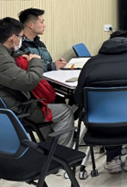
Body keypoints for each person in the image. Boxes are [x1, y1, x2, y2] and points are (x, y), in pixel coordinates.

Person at [74, 30, 127, 173]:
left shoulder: (91, 64)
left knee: (107, 115)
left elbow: (79, 99)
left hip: (100, 127)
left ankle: (113, 158)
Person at [0, 17, 73, 147]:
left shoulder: (5, 52)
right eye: (20, 37)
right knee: (65, 110)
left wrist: (20, 56)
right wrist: (35, 61)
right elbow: (29, 81)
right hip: (16, 110)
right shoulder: (2, 59)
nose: (21, 40)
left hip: (9, 104)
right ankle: (61, 153)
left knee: (47, 103)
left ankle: (48, 148)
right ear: (13, 38)